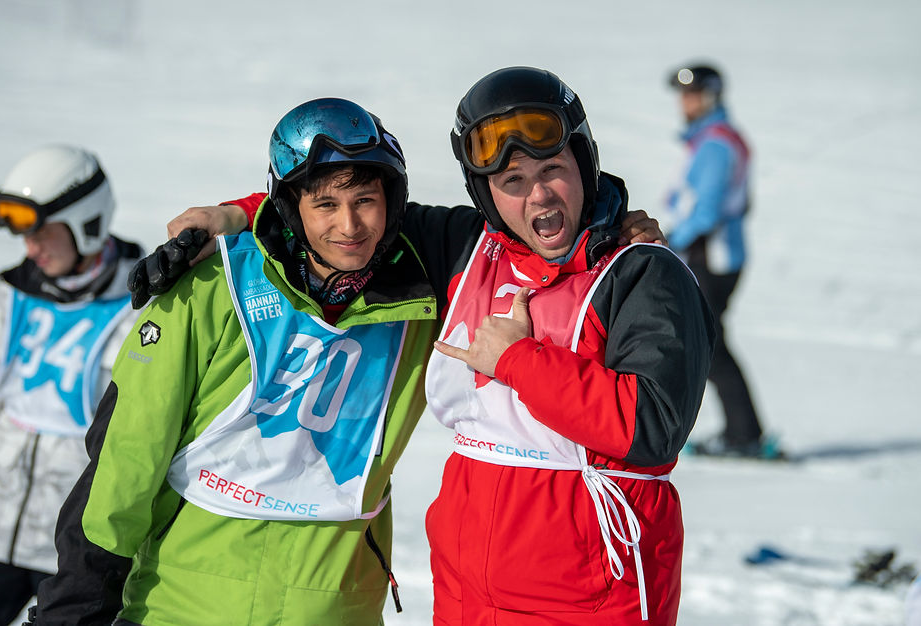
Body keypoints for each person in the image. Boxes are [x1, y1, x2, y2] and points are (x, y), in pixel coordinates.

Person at [140, 67, 711, 624]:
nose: (538, 195)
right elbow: (342, 204)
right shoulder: (465, 248)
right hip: (467, 589)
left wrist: (518, 360)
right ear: (484, 193)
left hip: (588, 593)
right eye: (511, 181)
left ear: (585, 164)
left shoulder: (642, 273)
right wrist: (235, 214)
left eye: (554, 169)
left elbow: (652, 427)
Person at [30, 98, 443, 626]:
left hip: (333, 606)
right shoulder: (213, 283)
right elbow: (128, 454)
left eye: (366, 200)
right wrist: (76, 603)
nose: (350, 225)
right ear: (292, 208)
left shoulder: (426, 295)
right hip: (180, 602)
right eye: (324, 206)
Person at [0, 145, 143, 625]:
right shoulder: (14, 295)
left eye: (43, 233)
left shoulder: (142, 304)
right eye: (24, 236)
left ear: (87, 224)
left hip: (77, 550)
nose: (31, 249)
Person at [665, 63, 780, 460]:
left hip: (710, 257)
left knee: (709, 347)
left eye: (695, 94)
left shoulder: (715, 144)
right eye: (684, 94)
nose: (686, 102)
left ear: (712, 96)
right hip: (713, 256)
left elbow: (708, 209)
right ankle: (741, 432)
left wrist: (670, 240)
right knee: (712, 345)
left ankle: (744, 435)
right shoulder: (713, 140)